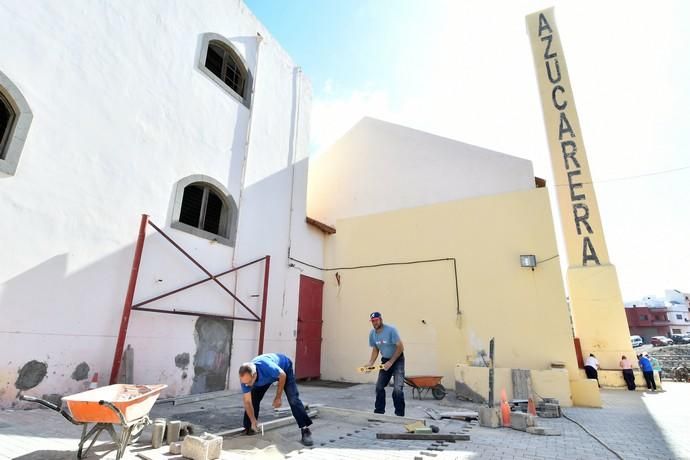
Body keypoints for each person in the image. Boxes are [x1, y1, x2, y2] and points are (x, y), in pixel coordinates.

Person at [238, 353, 313, 446]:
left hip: (284, 369)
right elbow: (247, 402)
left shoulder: (267, 367)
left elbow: (282, 375)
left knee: (293, 399)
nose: (247, 385)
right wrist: (253, 420)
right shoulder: (245, 379)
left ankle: (305, 430)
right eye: (244, 383)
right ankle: (249, 427)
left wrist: (278, 397)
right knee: (253, 400)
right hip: (267, 377)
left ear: (254, 375)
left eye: (249, 382)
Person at [363, 311, 405, 416]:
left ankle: (399, 415)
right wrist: (371, 363)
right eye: (373, 321)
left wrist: (391, 362)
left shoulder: (391, 330)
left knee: (397, 389)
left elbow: (400, 347)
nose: (375, 323)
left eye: (376, 320)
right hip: (385, 361)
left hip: (397, 360)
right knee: (379, 387)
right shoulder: (372, 334)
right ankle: (379, 412)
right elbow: (375, 349)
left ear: (381, 319)